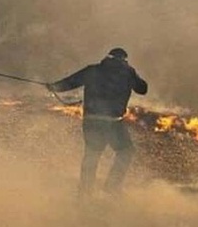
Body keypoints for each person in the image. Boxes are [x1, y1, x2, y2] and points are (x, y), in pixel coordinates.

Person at [47, 47, 148, 197]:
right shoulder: (128, 72)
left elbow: (69, 83)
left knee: (92, 155)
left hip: (91, 120)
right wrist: (130, 72)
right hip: (113, 122)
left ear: (107, 58)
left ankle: (85, 192)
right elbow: (143, 89)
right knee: (126, 151)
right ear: (124, 60)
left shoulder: (92, 70)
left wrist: (52, 86)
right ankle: (112, 186)